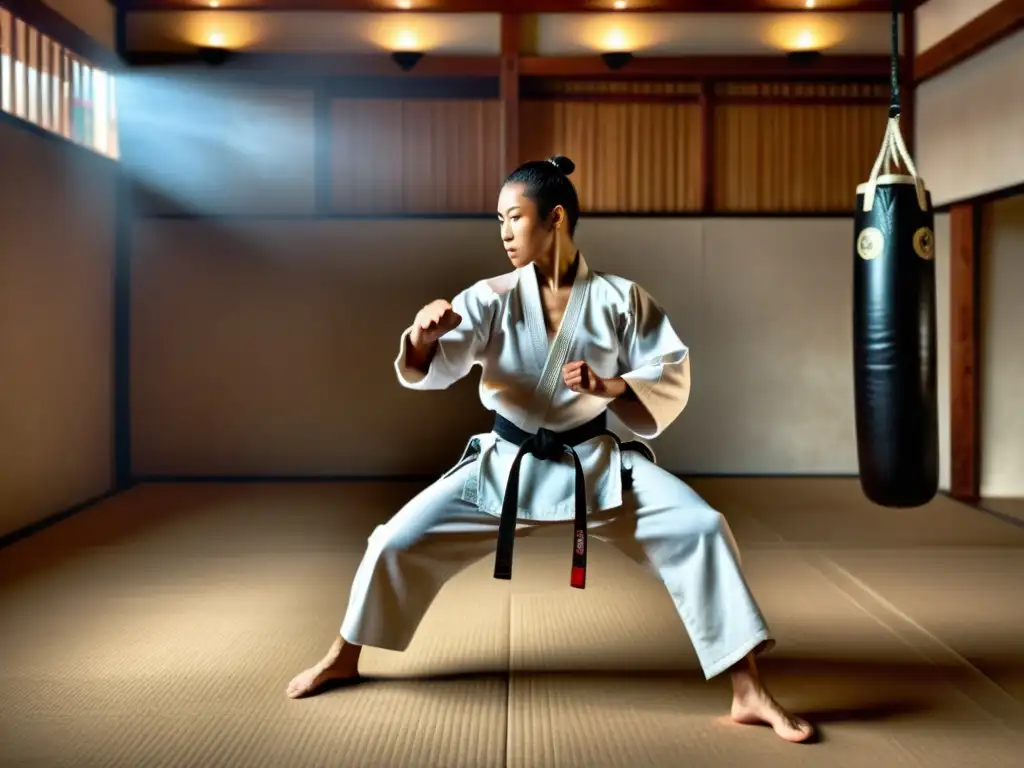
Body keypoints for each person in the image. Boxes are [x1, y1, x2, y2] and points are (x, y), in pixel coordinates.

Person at [286, 155, 814, 744]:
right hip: (505, 465)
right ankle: (343, 655)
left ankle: (748, 690)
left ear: (554, 218)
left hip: (594, 465)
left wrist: (610, 386)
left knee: (702, 526)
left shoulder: (620, 299)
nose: (505, 233)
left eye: (514, 218)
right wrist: (420, 338)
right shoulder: (489, 297)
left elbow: (671, 372)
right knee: (394, 539)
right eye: (499, 221)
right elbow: (429, 366)